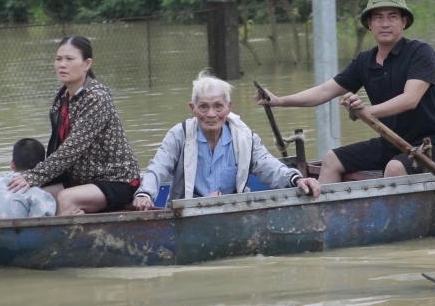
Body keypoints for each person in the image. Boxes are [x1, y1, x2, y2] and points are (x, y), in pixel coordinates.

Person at [255, 0, 435, 182]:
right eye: (378, 18)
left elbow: (410, 99)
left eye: (392, 17)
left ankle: (389, 217)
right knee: (331, 159)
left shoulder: (420, 52)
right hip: (390, 143)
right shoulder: (364, 61)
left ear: (404, 22)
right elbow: (324, 91)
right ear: (369, 23)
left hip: (432, 146)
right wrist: (279, 101)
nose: (385, 24)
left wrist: (366, 111)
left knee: (394, 168)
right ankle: (326, 216)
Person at [132, 70, 321, 210]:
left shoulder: (245, 138)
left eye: (218, 106)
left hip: (232, 211)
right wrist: (144, 194)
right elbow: (157, 168)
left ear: (229, 107)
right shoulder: (179, 135)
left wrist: (296, 179)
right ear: (193, 108)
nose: (211, 114)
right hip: (186, 215)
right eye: (203, 107)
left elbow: (269, 166)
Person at [7, 36, 141, 215]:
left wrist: (33, 176)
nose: (62, 64)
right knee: (32, 194)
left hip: (116, 180)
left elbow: (71, 149)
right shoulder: (62, 96)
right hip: (81, 179)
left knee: (66, 197)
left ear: (87, 64)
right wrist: (32, 180)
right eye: (58, 59)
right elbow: (57, 147)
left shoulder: (96, 98)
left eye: (69, 59)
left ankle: (60, 241)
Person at [0, 138, 57, 219]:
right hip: (19, 231)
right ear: (41, 167)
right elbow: (44, 226)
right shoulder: (39, 195)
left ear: (12, 164)